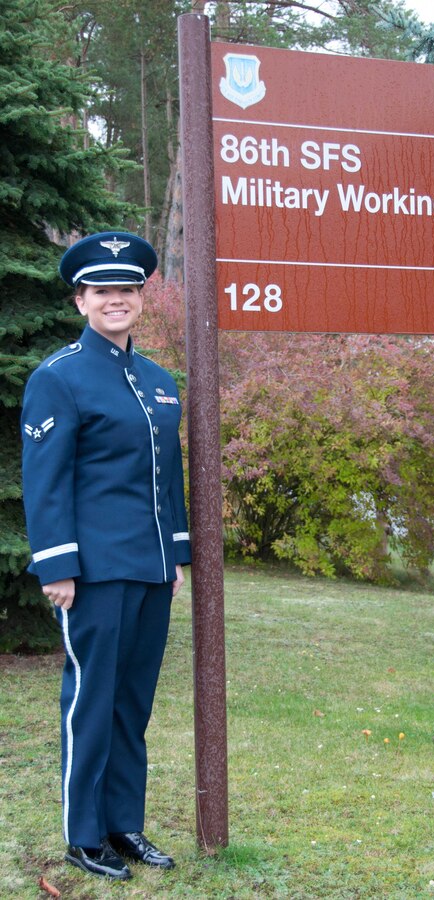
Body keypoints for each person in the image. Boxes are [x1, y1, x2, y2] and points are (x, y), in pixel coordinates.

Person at [21, 232, 191, 880]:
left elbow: (167, 477)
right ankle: (83, 835)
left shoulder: (157, 382)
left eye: (127, 290)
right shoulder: (58, 377)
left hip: (149, 571)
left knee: (132, 704)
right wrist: (57, 565)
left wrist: (174, 556)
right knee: (91, 700)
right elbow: (46, 479)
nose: (116, 300)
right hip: (91, 573)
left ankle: (123, 825)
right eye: (102, 291)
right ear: (80, 301)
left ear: (140, 299)